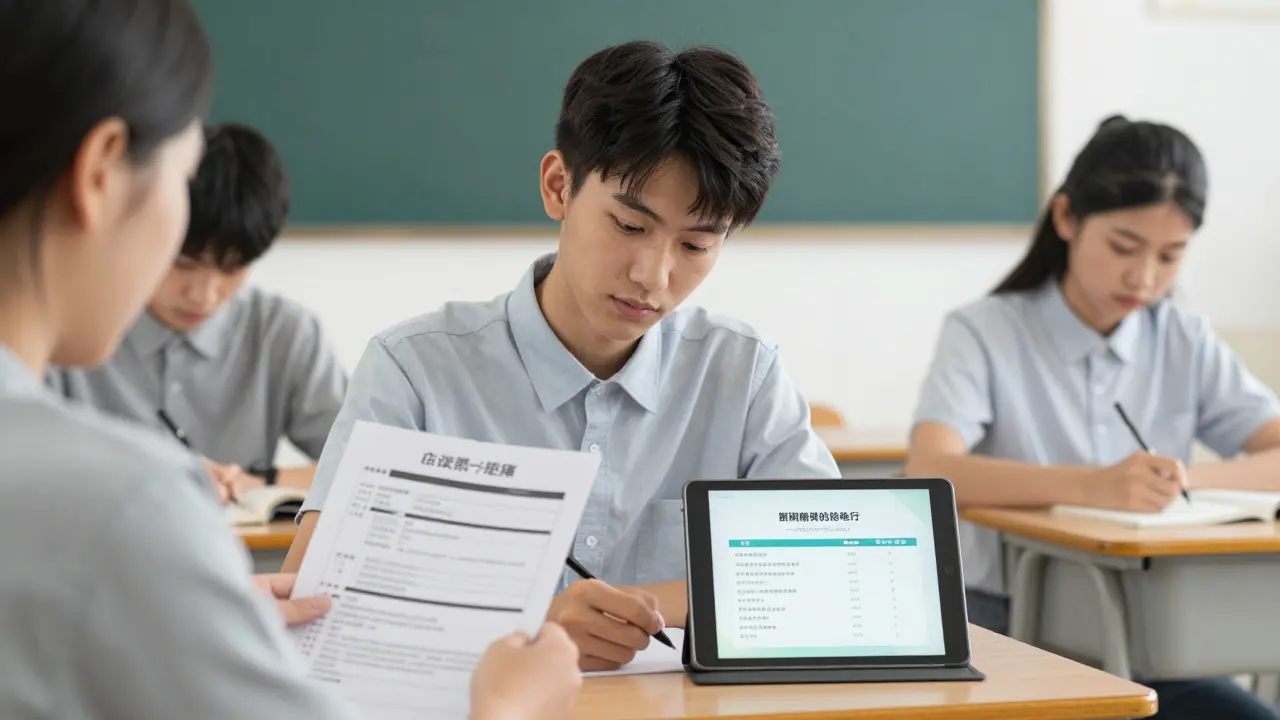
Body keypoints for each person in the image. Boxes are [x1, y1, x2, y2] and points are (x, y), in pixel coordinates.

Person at [0, 1, 580, 719]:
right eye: (182, 177)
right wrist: (508, 709)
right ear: (101, 173)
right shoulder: (127, 503)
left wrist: (191, 609)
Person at [283, 40, 839, 670]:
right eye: (629, 226)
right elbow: (312, 605)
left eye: (696, 246)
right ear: (558, 187)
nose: (653, 275)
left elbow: (832, 570)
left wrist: (639, 606)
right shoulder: (415, 369)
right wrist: (532, 628)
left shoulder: (743, 371)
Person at [906, 115, 1280, 720]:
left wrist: (1180, 480)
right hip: (1011, 631)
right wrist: (1093, 486)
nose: (1144, 277)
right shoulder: (984, 330)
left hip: (1151, 633)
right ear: (1066, 218)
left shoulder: (1183, 336)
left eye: (1171, 255)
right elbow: (932, 468)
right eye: (1123, 247)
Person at [47, 122, 347, 503]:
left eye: (232, 269)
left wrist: (256, 480)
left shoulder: (283, 332)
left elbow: (367, 463)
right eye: (184, 265)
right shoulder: (70, 323)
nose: (203, 295)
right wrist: (156, 475)